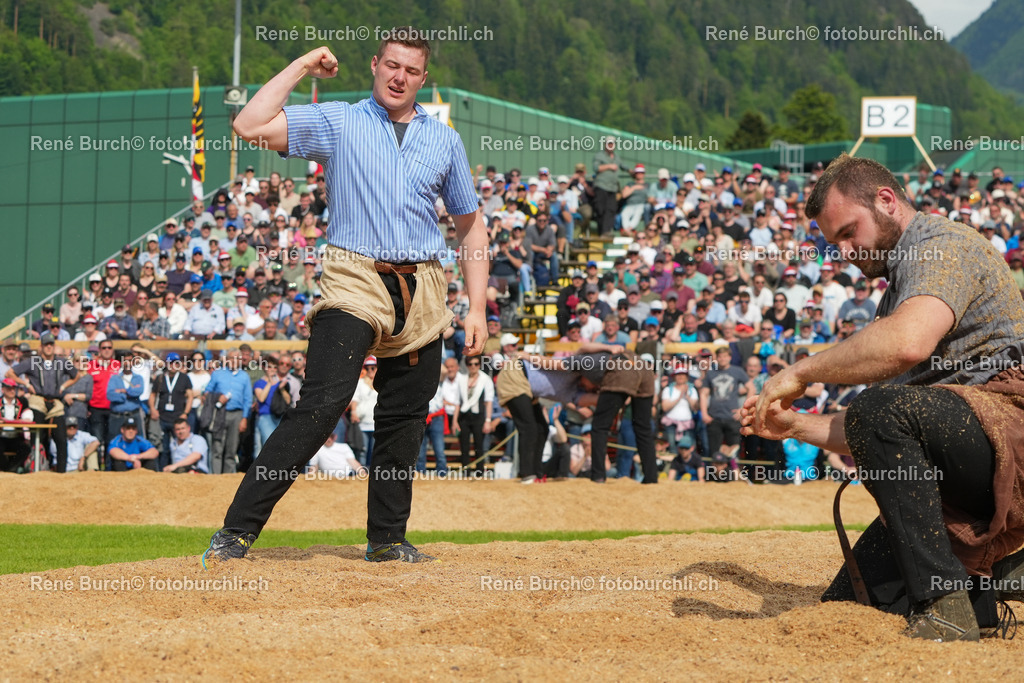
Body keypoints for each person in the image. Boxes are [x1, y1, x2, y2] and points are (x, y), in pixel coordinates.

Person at [206, 30, 487, 565]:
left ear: (424, 79)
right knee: (324, 402)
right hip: (353, 275)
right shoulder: (340, 121)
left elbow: (471, 227)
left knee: (405, 416)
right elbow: (249, 125)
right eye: (392, 65)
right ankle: (236, 531)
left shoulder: (444, 139)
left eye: (411, 70)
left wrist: (476, 307)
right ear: (375, 65)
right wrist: (302, 65)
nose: (399, 77)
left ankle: (387, 540)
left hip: (424, 286)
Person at [742, 153, 1024, 642]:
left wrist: (800, 371)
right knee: (849, 604)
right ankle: (991, 585)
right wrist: (797, 426)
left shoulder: (941, 245)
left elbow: (907, 345)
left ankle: (945, 605)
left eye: (849, 232)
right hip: (970, 457)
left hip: (1011, 434)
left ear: (887, 200)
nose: (844, 251)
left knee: (877, 409)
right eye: (834, 243)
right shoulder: (896, 294)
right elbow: (878, 427)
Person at [7, 332, 75, 472]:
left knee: (61, 438)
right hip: (37, 401)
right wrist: (26, 384)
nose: (48, 347)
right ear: (41, 346)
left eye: (51, 344)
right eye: (46, 345)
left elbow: (76, 375)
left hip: (56, 403)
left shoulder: (61, 362)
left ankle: (62, 473)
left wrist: (64, 386)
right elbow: (10, 373)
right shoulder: (32, 362)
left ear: (54, 346)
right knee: (37, 437)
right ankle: (35, 469)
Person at [204, 348, 253, 474]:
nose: (234, 361)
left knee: (232, 448)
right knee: (217, 447)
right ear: (227, 359)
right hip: (220, 413)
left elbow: (248, 399)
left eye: (237, 358)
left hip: (237, 414)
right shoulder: (217, 374)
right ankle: (215, 476)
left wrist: (244, 418)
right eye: (231, 358)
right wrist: (217, 398)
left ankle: (228, 478)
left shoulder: (244, 376)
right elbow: (207, 393)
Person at [453, 354, 494, 474]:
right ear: (467, 365)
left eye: (476, 364)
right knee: (464, 446)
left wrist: (488, 420)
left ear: (479, 365)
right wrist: (454, 421)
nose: (473, 366)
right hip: (464, 417)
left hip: (478, 416)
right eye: (470, 364)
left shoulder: (485, 379)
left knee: (479, 445)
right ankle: (465, 472)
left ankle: (479, 472)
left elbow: (489, 401)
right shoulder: (461, 379)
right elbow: (457, 402)